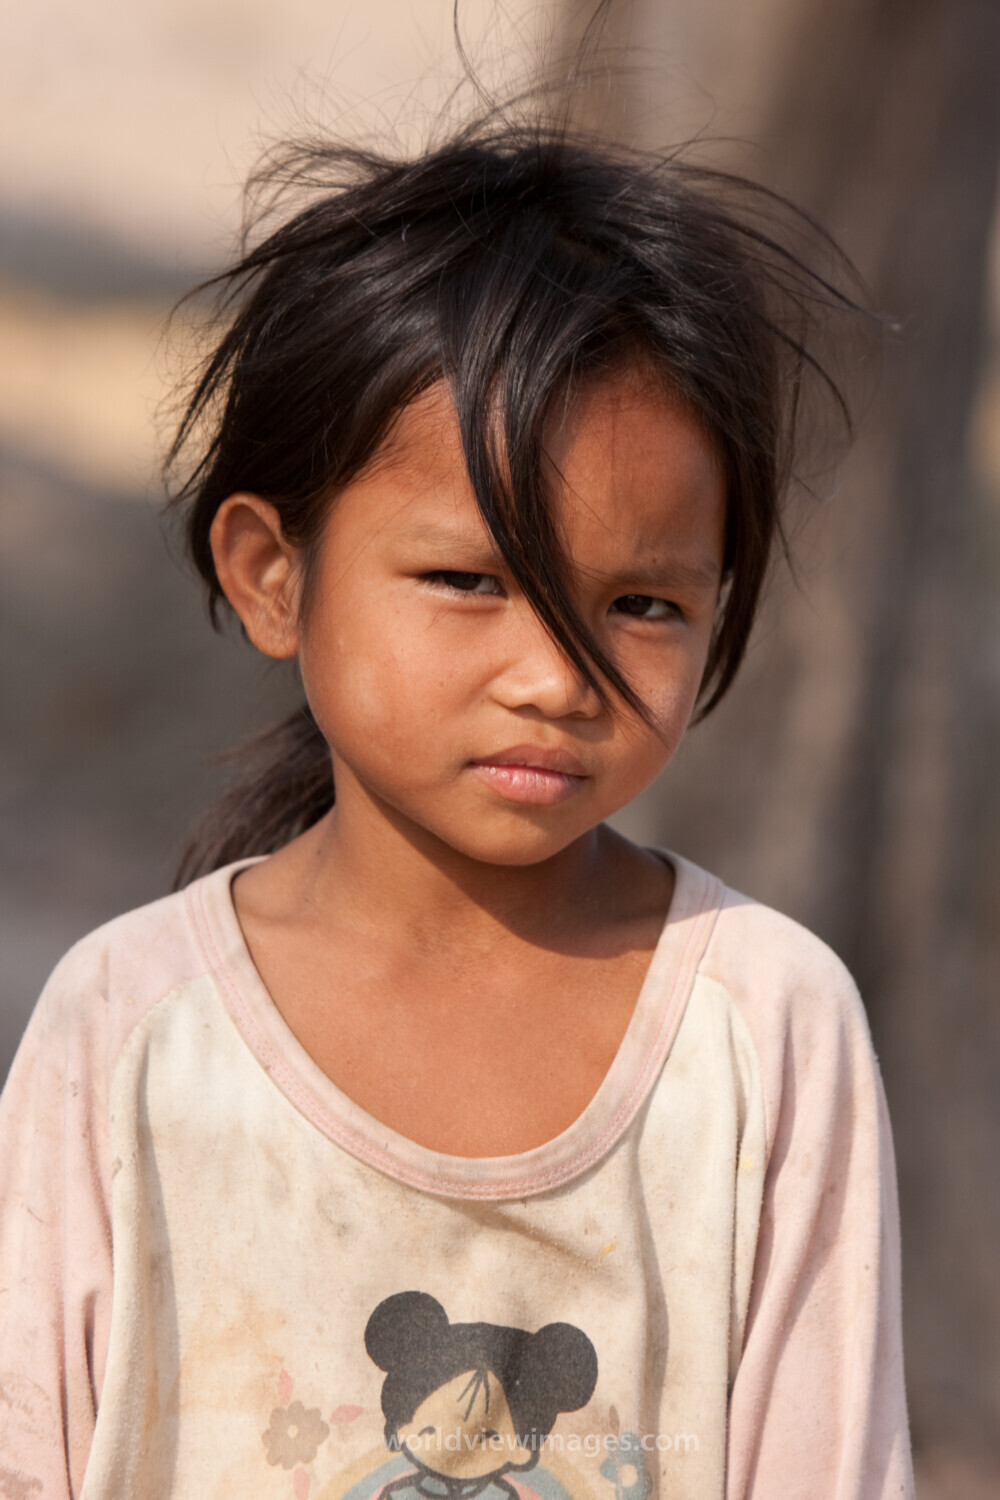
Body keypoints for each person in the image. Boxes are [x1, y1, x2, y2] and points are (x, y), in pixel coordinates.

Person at [0, 108, 913, 1498]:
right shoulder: (126, 1034)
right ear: (272, 576)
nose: (557, 676)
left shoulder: (768, 1036)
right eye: (472, 582)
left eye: (641, 604)